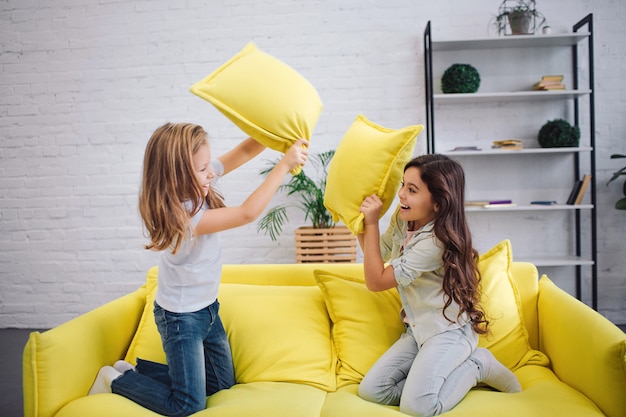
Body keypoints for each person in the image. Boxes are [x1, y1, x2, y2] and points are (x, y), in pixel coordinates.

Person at [88, 122, 309, 417]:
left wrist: (277, 134)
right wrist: (284, 165)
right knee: (188, 405)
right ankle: (115, 380)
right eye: (203, 168)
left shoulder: (196, 177)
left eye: (208, 165)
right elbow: (247, 213)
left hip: (207, 309)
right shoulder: (182, 218)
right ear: (177, 175)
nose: (212, 173)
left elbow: (244, 150)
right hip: (181, 319)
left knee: (219, 384)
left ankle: (133, 371)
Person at [356, 154, 521, 417]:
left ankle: (479, 365)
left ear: (437, 203)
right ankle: (423, 384)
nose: (401, 195)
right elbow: (376, 253)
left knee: (419, 408)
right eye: (402, 185)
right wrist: (360, 222)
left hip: (447, 333)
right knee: (373, 391)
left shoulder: (435, 242)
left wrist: (373, 222)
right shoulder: (403, 221)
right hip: (417, 332)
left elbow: (376, 281)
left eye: (412, 190)